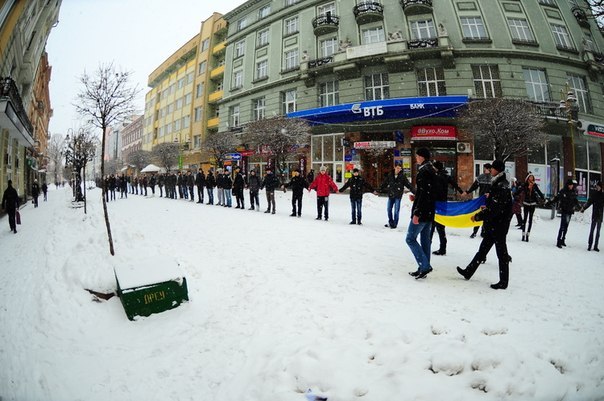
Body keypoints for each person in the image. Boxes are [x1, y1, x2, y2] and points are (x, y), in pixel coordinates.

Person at [456, 160, 513, 290]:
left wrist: (478, 216)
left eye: (492, 168)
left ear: (497, 170)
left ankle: (503, 282)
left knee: (501, 254)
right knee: (483, 251)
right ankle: (468, 272)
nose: (490, 170)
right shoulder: (499, 183)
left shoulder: (501, 185)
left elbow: (496, 209)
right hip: (495, 225)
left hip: (498, 226)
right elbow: (495, 205)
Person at [407, 148, 437, 280]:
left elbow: (425, 193)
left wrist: (417, 212)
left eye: (417, 156)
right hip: (429, 210)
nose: (416, 158)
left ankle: (424, 265)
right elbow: (427, 192)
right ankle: (423, 267)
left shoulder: (424, 172)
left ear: (422, 157)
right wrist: (416, 196)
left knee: (410, 239)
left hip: (422, 212)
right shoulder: (432, 171)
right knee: (425, 241)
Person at [431, 161, 464, 255]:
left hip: (435, 203)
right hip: (443, 204)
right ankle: (443, 248)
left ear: (436, 168)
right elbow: (455, 185)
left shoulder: (435, 177)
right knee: (441, 227)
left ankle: (428, 245)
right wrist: (461, 192)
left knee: (431, 226)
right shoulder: (446, 176)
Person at [547, 179, 580, 248]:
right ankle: (558, 241)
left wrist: (579, 207)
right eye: (570, 185)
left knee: (566, 227)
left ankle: (563, 240)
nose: (571, 186)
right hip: (564, 210)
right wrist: (549, 202)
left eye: (572, 185)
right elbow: (557, 198)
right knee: (562, 226)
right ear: (567, 185)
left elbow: (575, 200)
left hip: (570, 211)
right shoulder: (563, 191)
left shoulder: (573, 192)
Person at [379, 164, 414, 229]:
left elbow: (408, 185)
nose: (398, 169)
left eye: (400, 168)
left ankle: (395, 224)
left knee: (396, 210)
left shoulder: (402, 176)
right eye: (397, 168)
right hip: (391, 195)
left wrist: (415, 192)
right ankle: (391, 222)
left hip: (398, 195)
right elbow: (385, 183)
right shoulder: (390, 175)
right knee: (389, 209)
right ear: (394, 168)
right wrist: (379, 190)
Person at [515, 173, 545, 242]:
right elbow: (519, 191)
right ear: (528, 178)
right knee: (525, 219)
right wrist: (515, 195)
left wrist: (543, 197)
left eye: (532, 178)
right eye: (530, 177)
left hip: (533, 203)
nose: (531, 179)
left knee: (530, 219)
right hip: (526, 203)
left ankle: (528, 235)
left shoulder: (534, 185)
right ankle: (523, 234)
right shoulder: (525, 185)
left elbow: (538, 191)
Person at [466, 163, 492, 238]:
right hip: (481, 200)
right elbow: (474, 186)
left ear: (489, 169)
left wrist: (490, 194)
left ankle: (484, 232)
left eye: (485, 168)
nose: (484, 170)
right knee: (479, 215)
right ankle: (475, 232)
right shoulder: (480, 177)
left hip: (489, 201)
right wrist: (468, 192)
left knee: (487, 216)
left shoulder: (493, 178)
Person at [581, 181, 603, 251]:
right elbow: (589, 202)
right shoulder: (594, 194)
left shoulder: (603, 195)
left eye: (599, 186)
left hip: (600, 215)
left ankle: (596, 246)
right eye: (597, 186)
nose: (598, 187)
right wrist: (583, 208)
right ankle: (590, 245)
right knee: (592, 230)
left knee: (598, 232)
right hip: (595, 214)